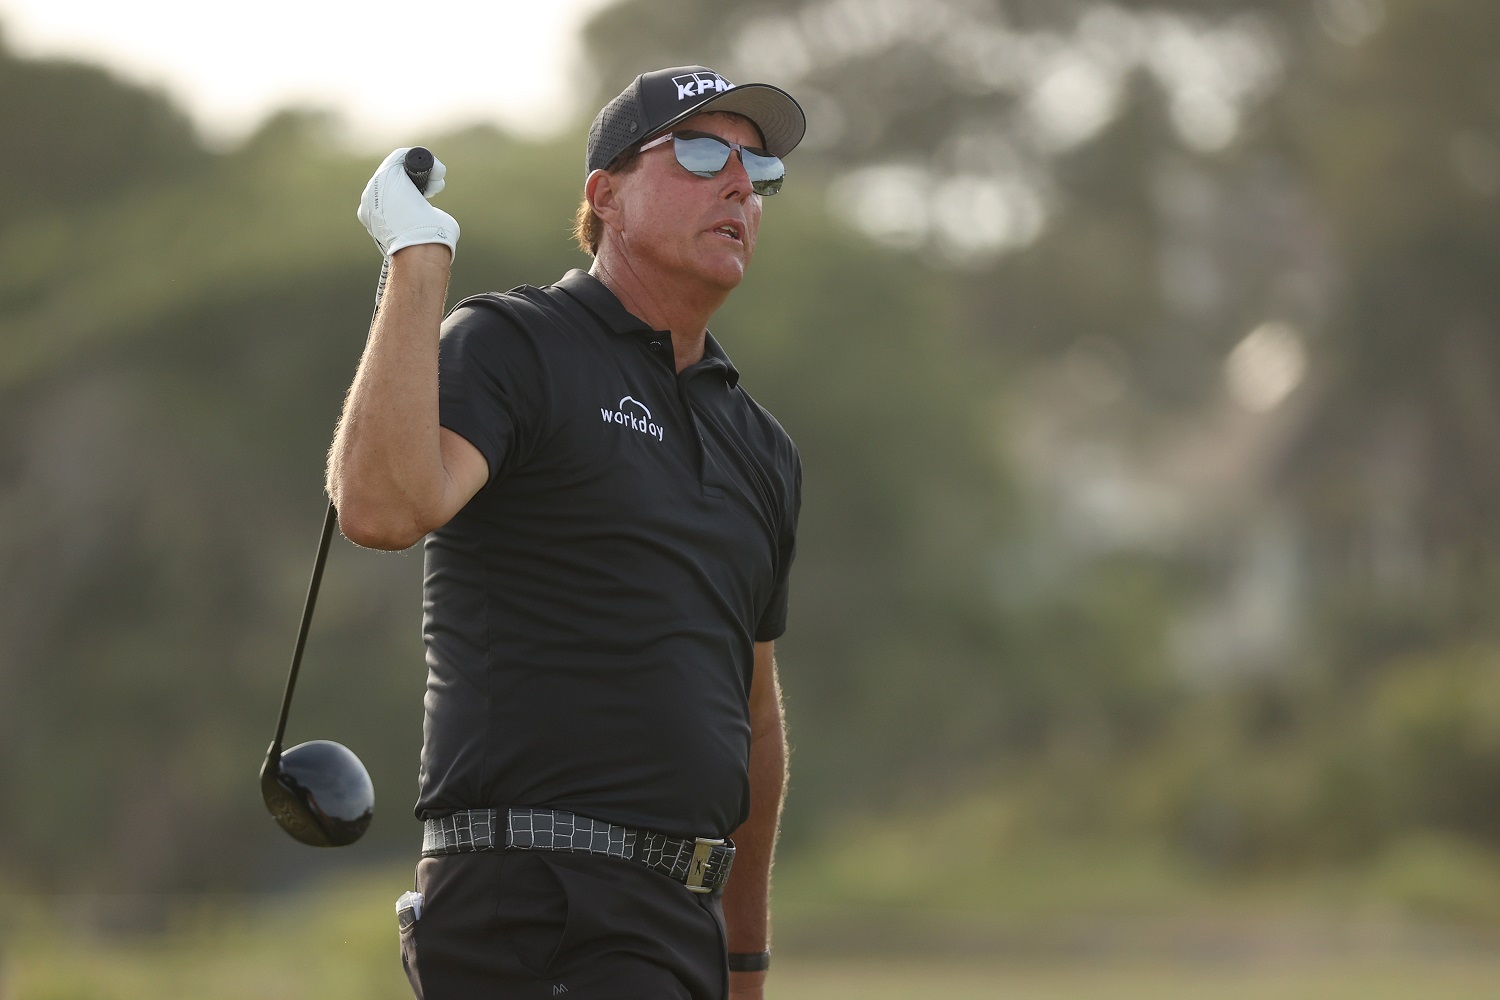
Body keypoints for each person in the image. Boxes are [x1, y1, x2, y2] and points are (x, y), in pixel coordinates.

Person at [330, 65, 806, 1000]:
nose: (740, 184)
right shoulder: (516, 343)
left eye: (759, 170)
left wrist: (744, 961)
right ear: (606, 195)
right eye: (703, 151)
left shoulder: (761, 447)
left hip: (675, 927)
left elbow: (753, 722)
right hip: (536, 905)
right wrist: (418, 259)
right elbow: (383, 507)